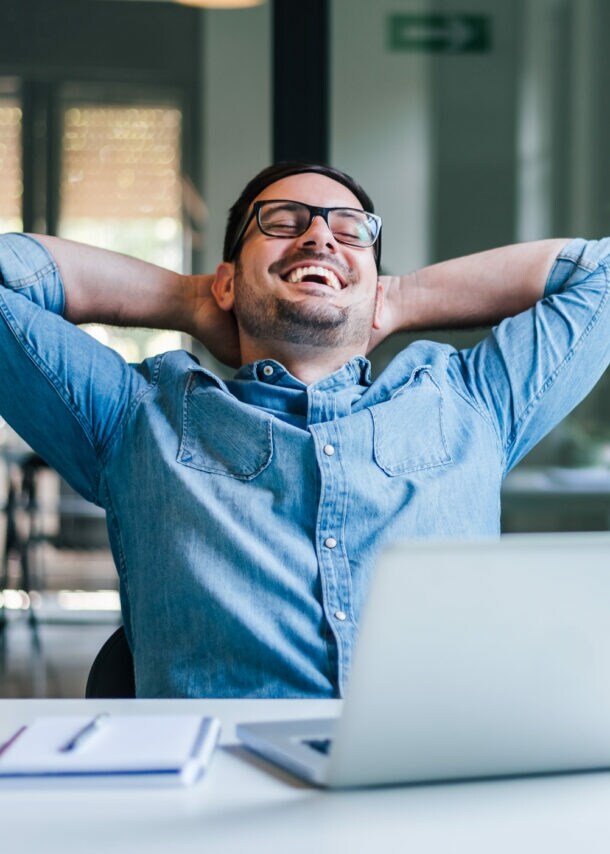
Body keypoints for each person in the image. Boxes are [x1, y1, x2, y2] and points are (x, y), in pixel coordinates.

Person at [0, 161, 608, 698]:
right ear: (228, 281)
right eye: (283, 223)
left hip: (441, 778)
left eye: (350, 231)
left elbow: (601, 273)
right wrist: (189, 300)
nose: (319, 236)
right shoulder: (137, 415)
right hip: (219, 786)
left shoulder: (473, 401)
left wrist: (401, 297)